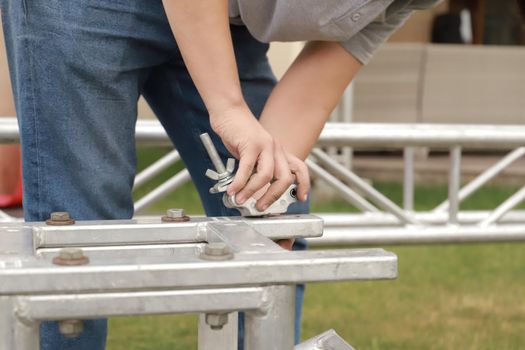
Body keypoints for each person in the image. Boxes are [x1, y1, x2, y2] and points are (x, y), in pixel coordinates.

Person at [0, 0, 440, 349]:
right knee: (76, 232)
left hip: (226, 23)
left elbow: (310, 94)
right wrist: (227, 109)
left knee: (275, 210)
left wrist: (267, 188)